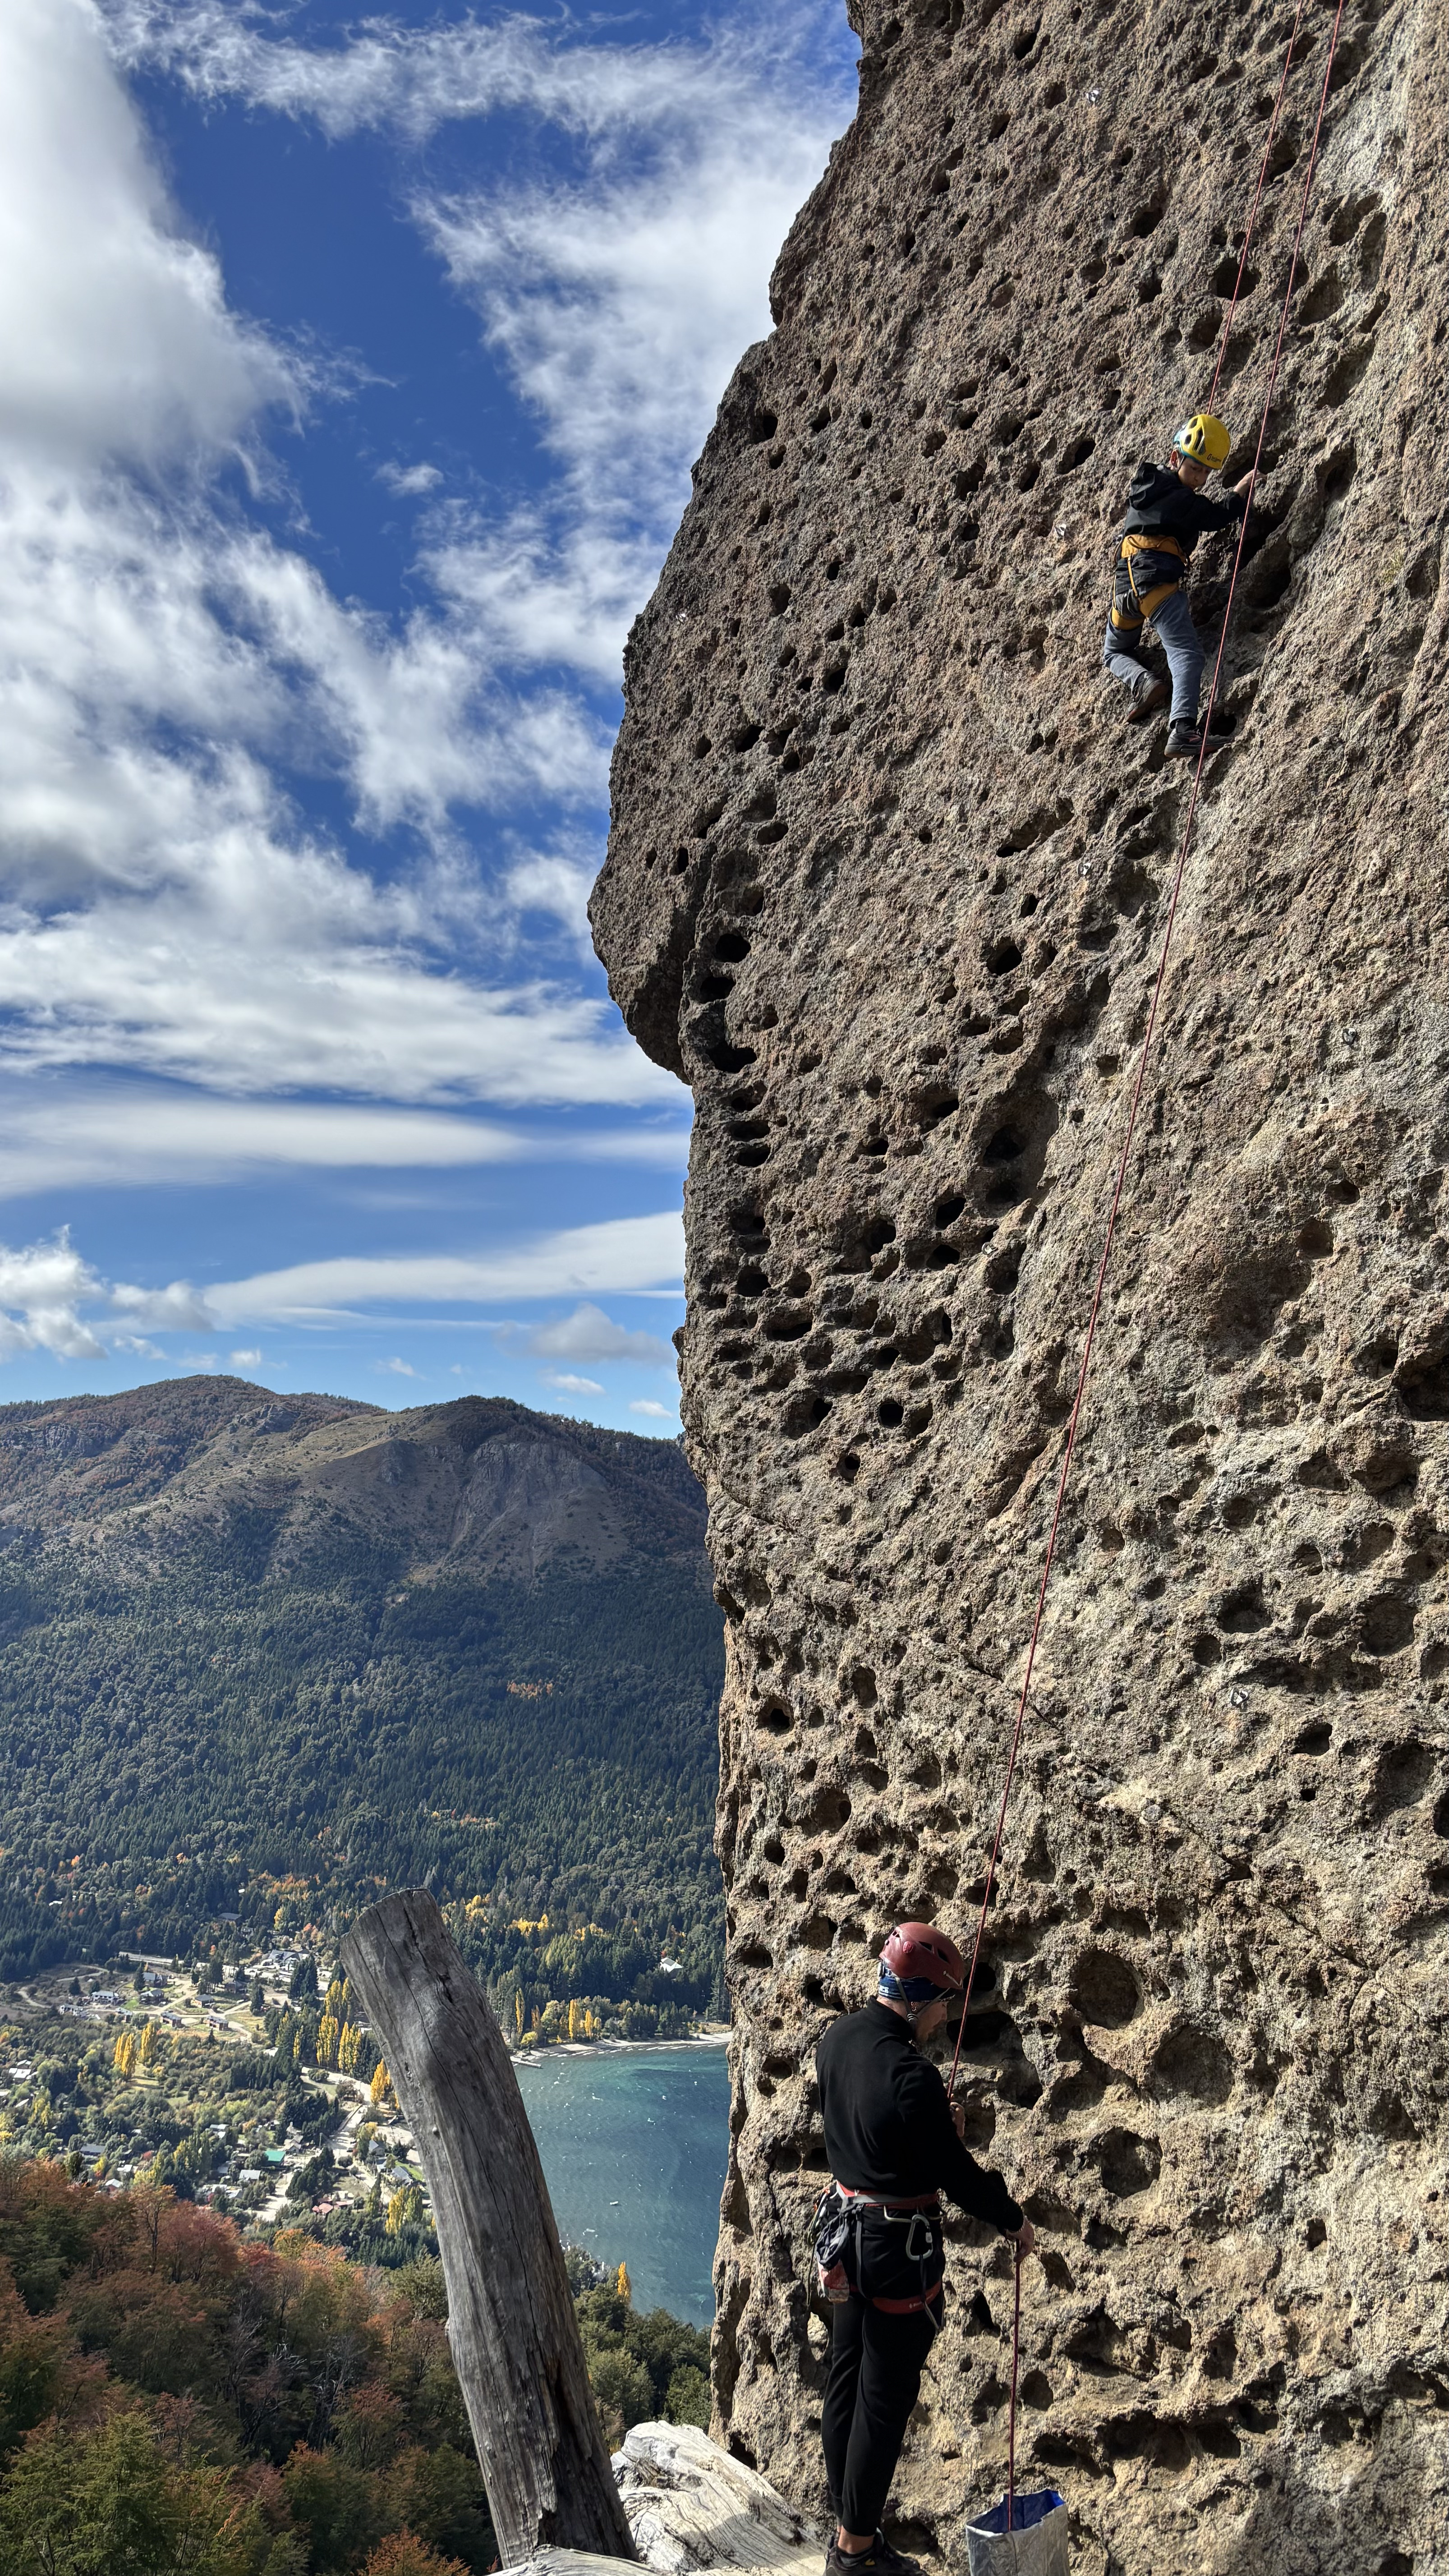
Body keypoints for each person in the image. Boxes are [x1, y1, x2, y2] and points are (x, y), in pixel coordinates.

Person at [815, 1923, 1034, 2576]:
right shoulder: (912, 2076)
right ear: (914, 1998)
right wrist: (1013, 2221)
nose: (945, 2014)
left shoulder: (837, 2040)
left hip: (842, 2235)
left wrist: (932, 2129)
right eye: (941, 2001)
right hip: (895, 2249)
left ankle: (846, 2526)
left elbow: (862, 2131)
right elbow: (957, 2177)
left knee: (845, 2383)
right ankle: (855, 2551)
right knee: (883, 2402)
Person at [1102, 411, 1256, 759]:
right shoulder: (1182, 500)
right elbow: (1215, 518)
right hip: (1154, 587)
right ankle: (1183, 730)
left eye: (1205, 472)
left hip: (1124, 592)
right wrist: (1238, 493)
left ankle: (1143, 682)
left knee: (1113, 652)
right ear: (1175, 458)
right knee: (1186, 653)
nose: (1199, 477)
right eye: (1194, 468)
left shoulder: (1147, 487)